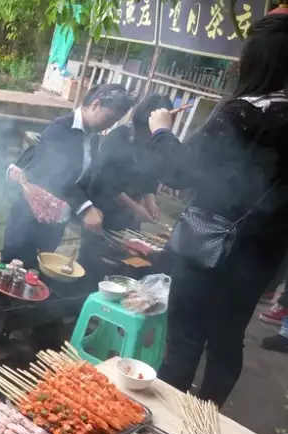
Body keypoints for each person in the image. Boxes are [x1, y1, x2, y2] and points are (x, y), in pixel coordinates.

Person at [151, 12, 288, 406]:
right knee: (228, 341)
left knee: (185, 340)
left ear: (258, 60)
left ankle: (165, 433)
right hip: (260, 260)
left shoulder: (243, 113)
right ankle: (207, 422)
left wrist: (161, 129)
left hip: (210, 249)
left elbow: (177, 171)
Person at [0, 84, 135, 269]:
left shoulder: (93, 136)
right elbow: (59, 176)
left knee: (38, 268)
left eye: (115, 121)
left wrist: (95, 205)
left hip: (56, 219)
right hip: (30, 215)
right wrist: (86, 208)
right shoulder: (60, 129)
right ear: (95, 104)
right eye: (109, 118)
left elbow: (84, 178)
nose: (110, 125)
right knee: (12, 269)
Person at [78, 94, 171, 277]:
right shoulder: (119, 137)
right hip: (104, 209)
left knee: (129, 261)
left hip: (129, 216)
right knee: (94, 261)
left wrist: (151, 202)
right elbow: (105, 181)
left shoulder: (154, 140)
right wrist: (136, 207)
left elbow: (150, 177)